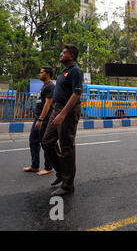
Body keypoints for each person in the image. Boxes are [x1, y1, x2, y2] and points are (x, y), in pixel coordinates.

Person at [42, 45, 83, 196]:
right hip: (57, 109)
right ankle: (61, 171)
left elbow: (76, 94)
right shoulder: (63, 72)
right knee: (47, 141)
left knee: (66, 147)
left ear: (71, 56)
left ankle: (67, 185)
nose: (61, 54)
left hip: (68, 111)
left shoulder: (76, 71)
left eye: (63, 52)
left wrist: (63, 114)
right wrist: (55, 111)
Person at [23, 67, 55, 176]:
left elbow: (48, 104)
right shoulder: (44, 86)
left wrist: (41, 119)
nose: (39, 74)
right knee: (33, 141)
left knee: (44, 142)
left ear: (48, 74)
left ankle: (48, 167)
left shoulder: (50, 86)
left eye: (41, 72)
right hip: (38, 118)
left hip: (45, 119)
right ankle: (35, 165)